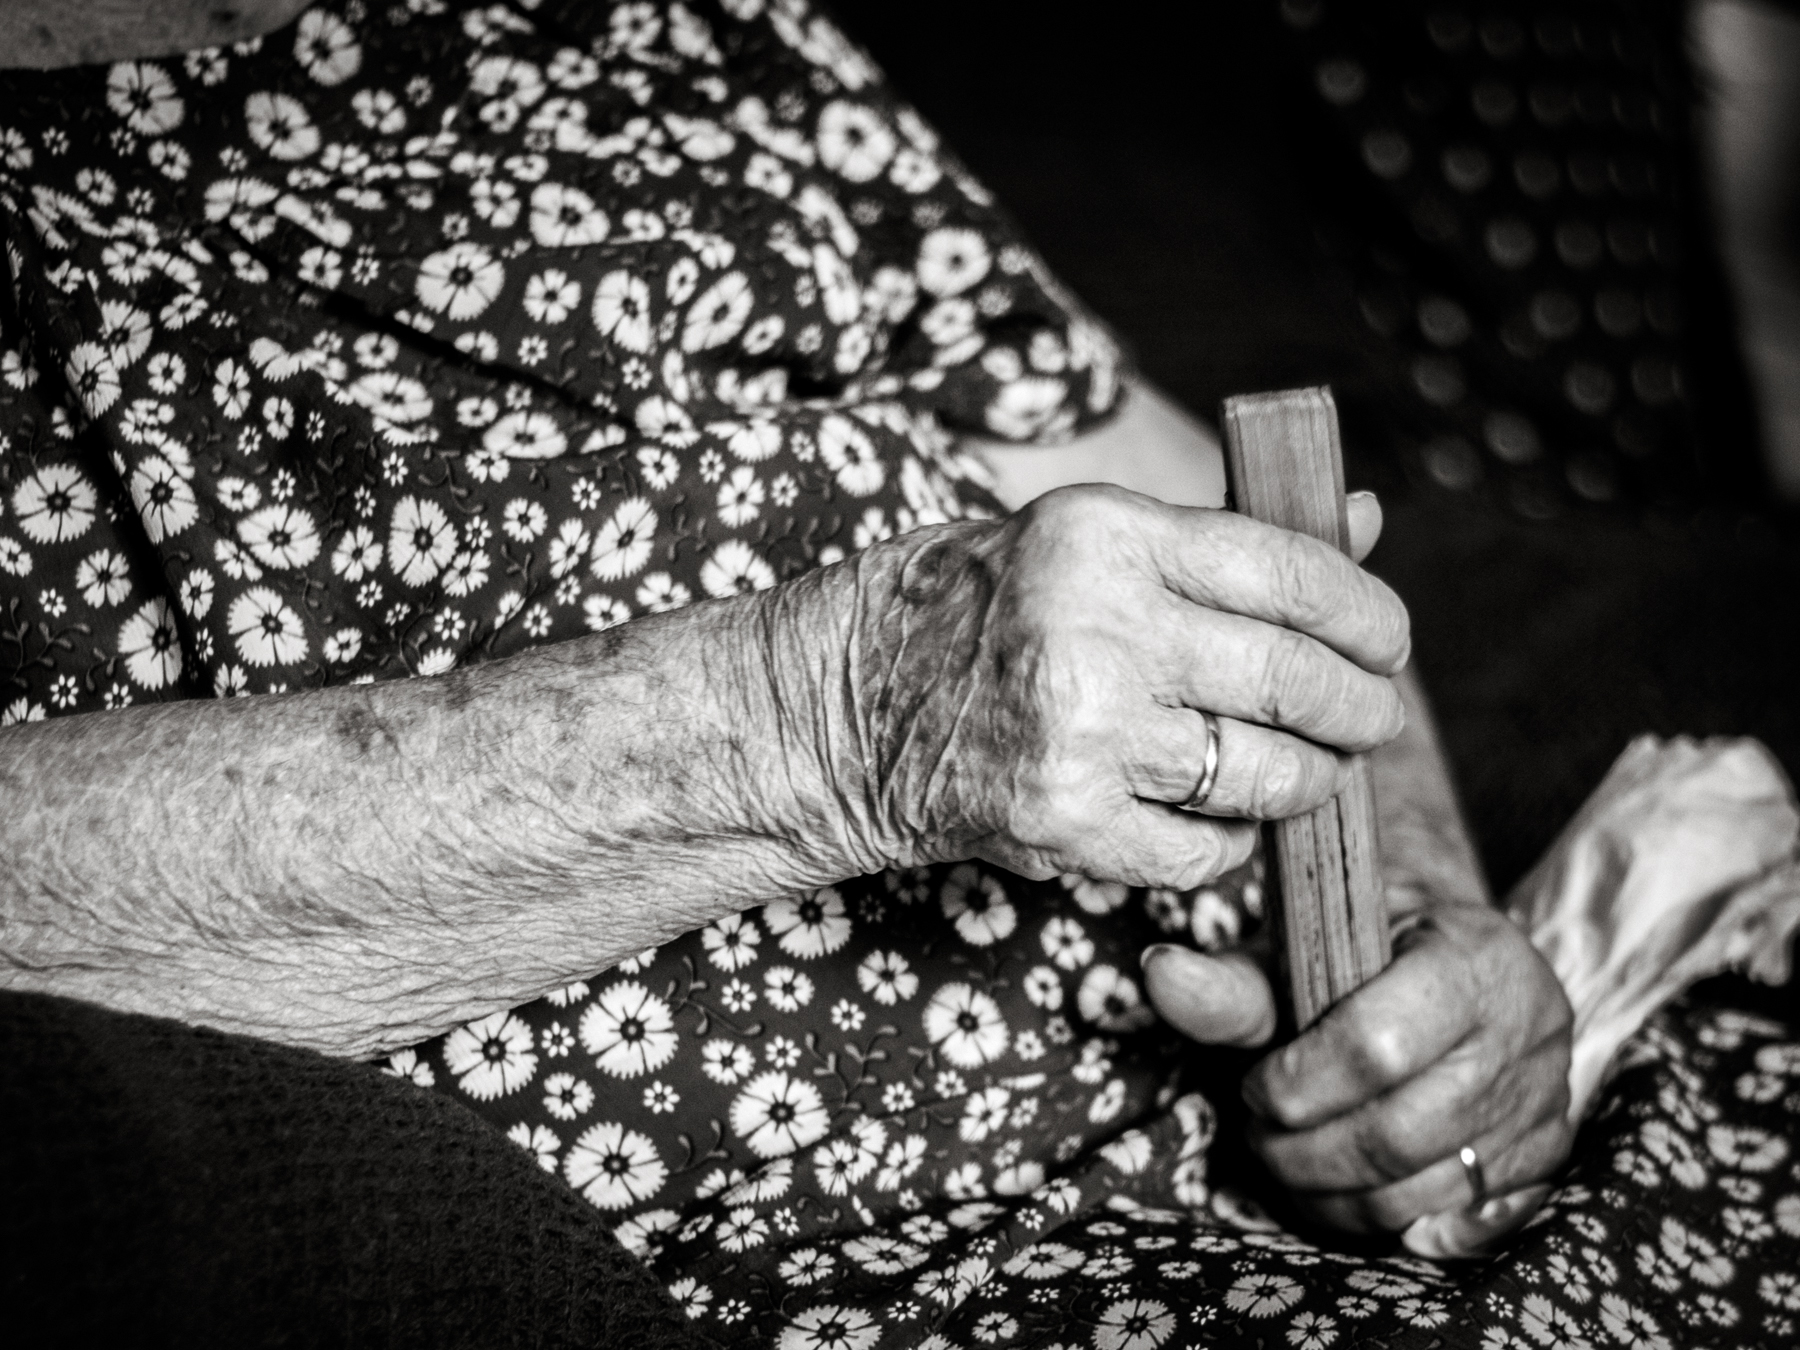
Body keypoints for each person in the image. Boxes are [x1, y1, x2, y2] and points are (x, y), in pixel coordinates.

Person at [13, 1, 1765, 1346]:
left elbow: (1241, 535)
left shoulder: (669, 30)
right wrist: (836, 711)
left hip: (1256, 1187)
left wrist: (1425, 942)